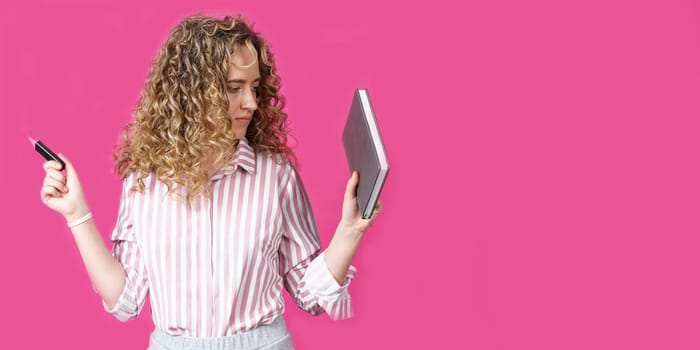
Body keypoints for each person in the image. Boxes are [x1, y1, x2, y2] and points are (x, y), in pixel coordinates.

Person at [39, 14, 381, 350]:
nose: (250, 103)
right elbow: (124, 301)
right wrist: (77, 214)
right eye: (234, 88)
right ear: (191, 94)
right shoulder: (144, 181)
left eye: (255, 88)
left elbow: (310, 297)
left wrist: (349, 230)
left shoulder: (276, 176)